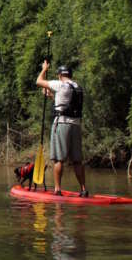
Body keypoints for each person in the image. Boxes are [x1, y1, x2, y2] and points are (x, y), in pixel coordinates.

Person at [36, 61, 88, 197]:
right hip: (76, 126)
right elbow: (67, 104)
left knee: (59, 159)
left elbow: (39, 81)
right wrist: (53, 97)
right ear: (70, 75)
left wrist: (44, 69)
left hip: (62, 125)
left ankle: (57, 190)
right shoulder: (77, 87)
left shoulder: (60, 84)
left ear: (60, 75)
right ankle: (83, 190)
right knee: (77, 160)